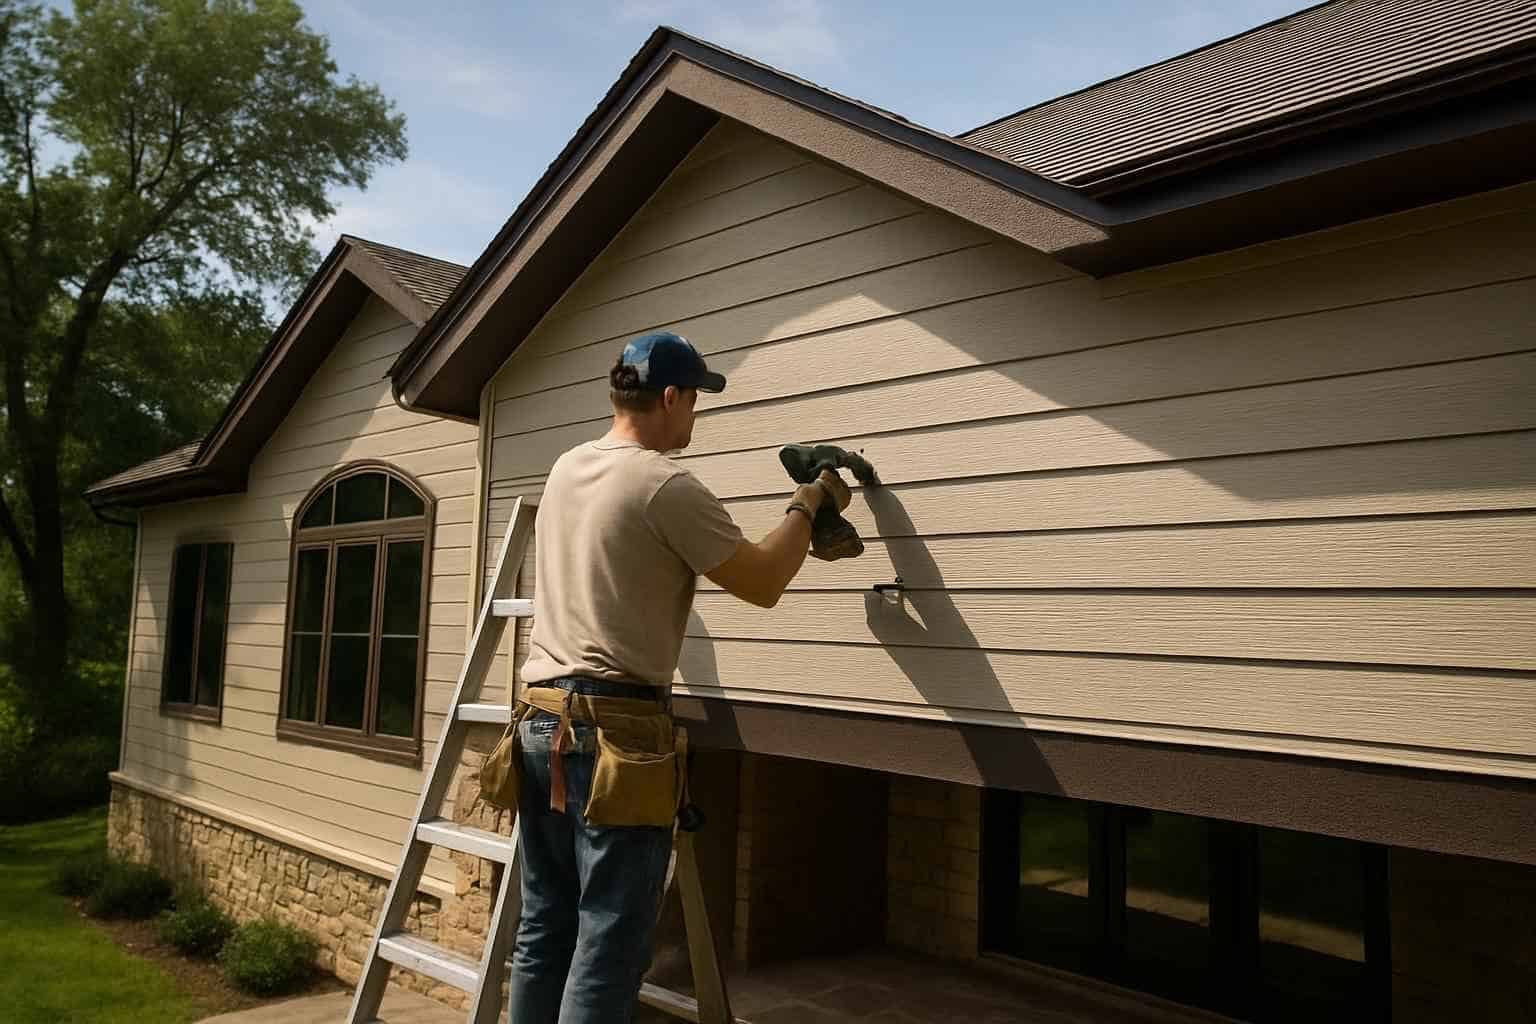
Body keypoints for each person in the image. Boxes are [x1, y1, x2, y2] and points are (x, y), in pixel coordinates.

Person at [505, 331, 852, 1023]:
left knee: (546, 926)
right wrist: (809, 503)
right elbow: (760, 581)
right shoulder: (665, 484)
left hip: (539, 723)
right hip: (615, 736)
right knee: (608, 944)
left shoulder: (567, 467)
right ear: (669, 397)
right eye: (694, 400)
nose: (695, 416)